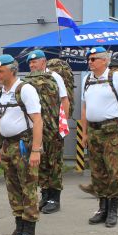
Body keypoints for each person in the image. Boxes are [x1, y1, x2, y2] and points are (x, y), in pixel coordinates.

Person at [0, 54, 43, 235]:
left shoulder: (25, 89)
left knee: (28, 189)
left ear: (12, 71)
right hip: (7, 146)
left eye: (0, 71)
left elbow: (38, 121)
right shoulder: (0, 93)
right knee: (13, 189)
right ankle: (18, 227)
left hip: (24, 145)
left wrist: (36, 150)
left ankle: (28, 233)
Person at [80, 46, 118, 228]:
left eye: (93, 59)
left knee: (112, 170)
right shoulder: (87, 79)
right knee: (97, 171)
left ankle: (113, 209)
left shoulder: (116, 77)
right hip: (93, 131)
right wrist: (84, 133)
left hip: (111, 130)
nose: (89, 62)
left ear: (104, 60)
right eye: (89, 59)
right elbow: (84, 108)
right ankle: (102, 208)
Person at [27, 49, 69, 214]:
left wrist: (63, 124)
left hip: (53, 127)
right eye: (30, 62)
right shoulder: (29, 80)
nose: (32, 64)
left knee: (54, 163)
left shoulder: (54, 77)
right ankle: (45, 195)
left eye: (34, 61)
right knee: (41, 163)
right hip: (37, 129)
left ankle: (54, 198)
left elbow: (64, 100)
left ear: (43, 62)